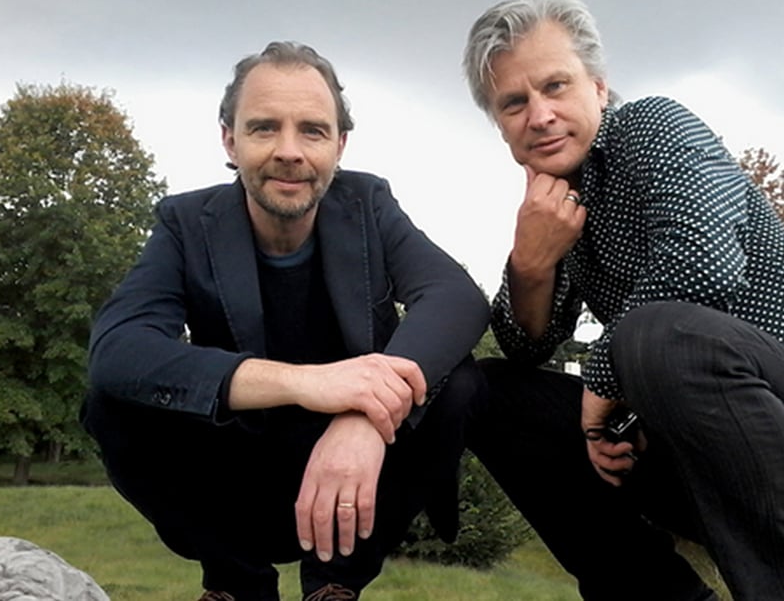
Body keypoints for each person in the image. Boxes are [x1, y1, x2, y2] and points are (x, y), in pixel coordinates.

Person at [462, 0, 784, 600]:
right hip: (694, 461)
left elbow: (703, 267)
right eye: (514, 103)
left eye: (556, 86)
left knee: (657, 330)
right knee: (489, 391)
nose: (539, 115)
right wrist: (531, 262)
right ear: (499, 123)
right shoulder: (559, 203)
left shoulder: (654, 127)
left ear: (598, 86)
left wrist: (604, 378)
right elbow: (522, 349)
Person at [81, 41, 490, 601]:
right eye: (265, 128)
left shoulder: (368, 204)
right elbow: (117, 350)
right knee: (113, 402)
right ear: (229, 138)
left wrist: (366, 416)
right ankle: (236, 586)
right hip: (232, 480)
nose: (290, 152)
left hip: (354, 481)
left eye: (314, 131)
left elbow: (455, 296)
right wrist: (307, 382)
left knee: (461, 380)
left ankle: (336, 587)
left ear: (341, 145)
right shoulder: (183, 222)